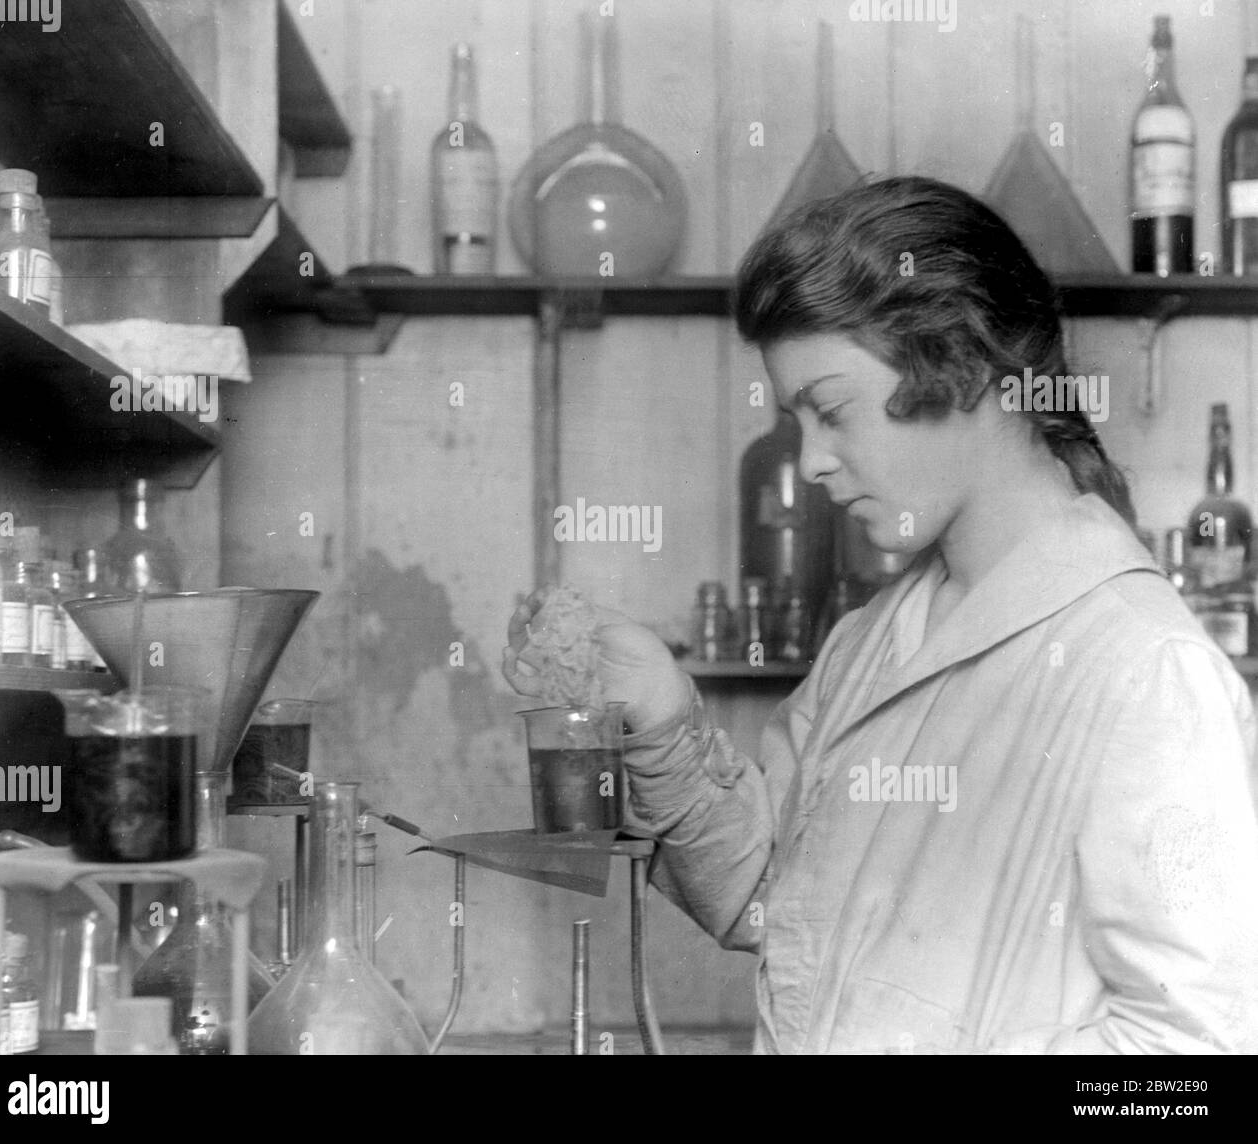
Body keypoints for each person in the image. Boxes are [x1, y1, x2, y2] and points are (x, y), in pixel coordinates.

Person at [503, 176, 1258, 1054]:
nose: (813, 463)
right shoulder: (870, 644)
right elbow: (761, 901)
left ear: (966, 368)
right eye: (798, 421)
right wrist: (663, 717)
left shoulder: (1144, 672)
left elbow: (1191, 1062)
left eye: (831, 411)